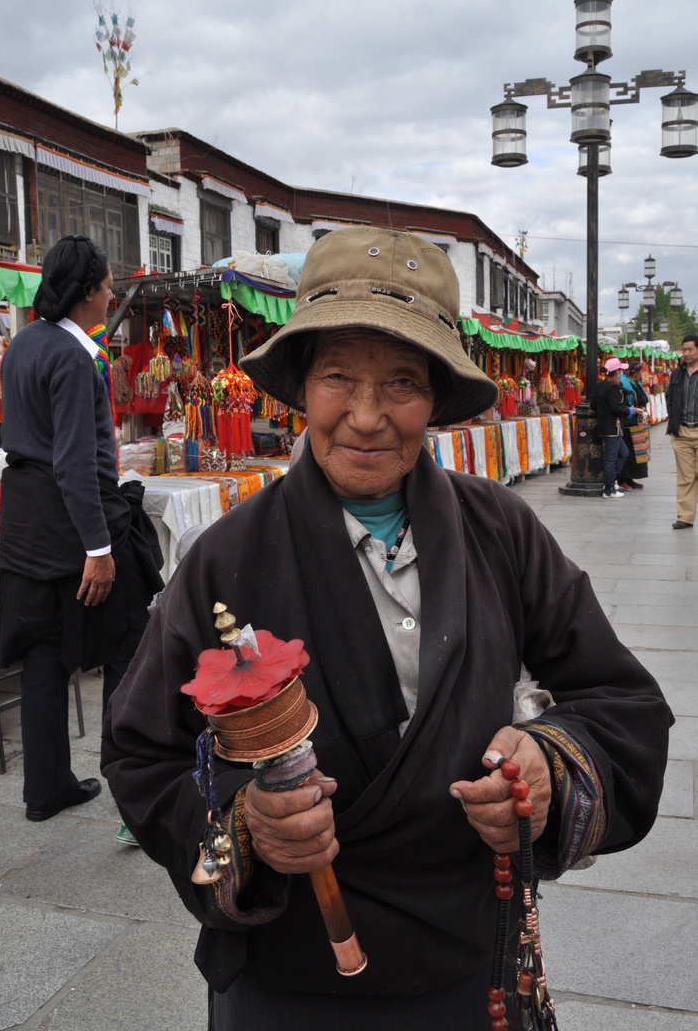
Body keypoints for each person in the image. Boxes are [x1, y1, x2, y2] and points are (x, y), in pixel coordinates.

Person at [102, 228, 671, 1031]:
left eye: (400, 382)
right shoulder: (226, 556)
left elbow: (618, 699)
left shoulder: (500, 531)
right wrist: (246, 826)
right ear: (300, 385)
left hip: (467, 963)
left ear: (436, 396)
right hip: (294, 976)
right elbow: (141, 752)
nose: (366, 417)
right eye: (338, 376)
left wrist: (547, 763)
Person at [0, 235, 164, 824]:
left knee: (42, 656)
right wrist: (99, 548)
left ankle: (46, 788)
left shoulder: (23, 345)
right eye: (108, 284)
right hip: (68, 523)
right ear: (87, 291)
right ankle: (136, 787)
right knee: (127, 641)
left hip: (24, 521)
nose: (112, 291)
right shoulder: (75, 354)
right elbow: (74, 461)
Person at [594, 357, 640, 499]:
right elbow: (616, 408)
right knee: (611, 458)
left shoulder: (601, 385)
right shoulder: (612, 387)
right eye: (620, 369)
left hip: (608, 427)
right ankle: (608, 489)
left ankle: (612, 481)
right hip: (612, 427)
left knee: (623, 453)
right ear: (617, 371)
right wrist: (631, 411)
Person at [666, 333, 698, 529]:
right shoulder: (677, 374)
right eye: (683, 349)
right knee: (685, 477)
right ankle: (685, 517)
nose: (685, 353)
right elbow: (670, 398)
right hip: (682, 432)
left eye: (690, 349)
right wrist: (673, 420)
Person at [617, 361, 650, 490]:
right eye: (640, 371)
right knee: (628, 452)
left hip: (639, 423)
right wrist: (632, 410)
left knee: (637, 452)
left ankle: (630, 478)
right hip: (628, 423)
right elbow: (621, 404)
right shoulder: (623, 385)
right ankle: (622, 478)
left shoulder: (636, 384)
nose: (642, 373)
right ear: (635, 373)